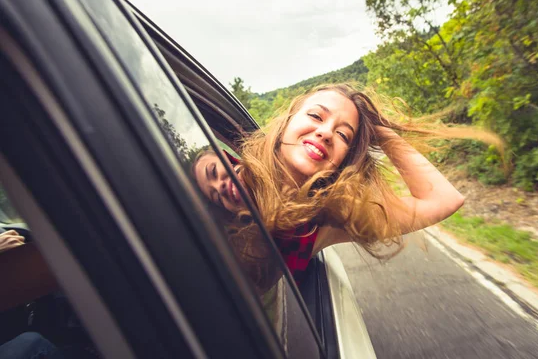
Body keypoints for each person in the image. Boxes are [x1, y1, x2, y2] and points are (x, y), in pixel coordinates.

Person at [192, 83, 503, 284]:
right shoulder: (217, 189)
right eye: (315, 116)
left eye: (343, 135)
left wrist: (378, 128)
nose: (326, 133)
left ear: (343, 160)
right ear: (286, 123)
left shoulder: (322, 224)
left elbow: (443, 200)